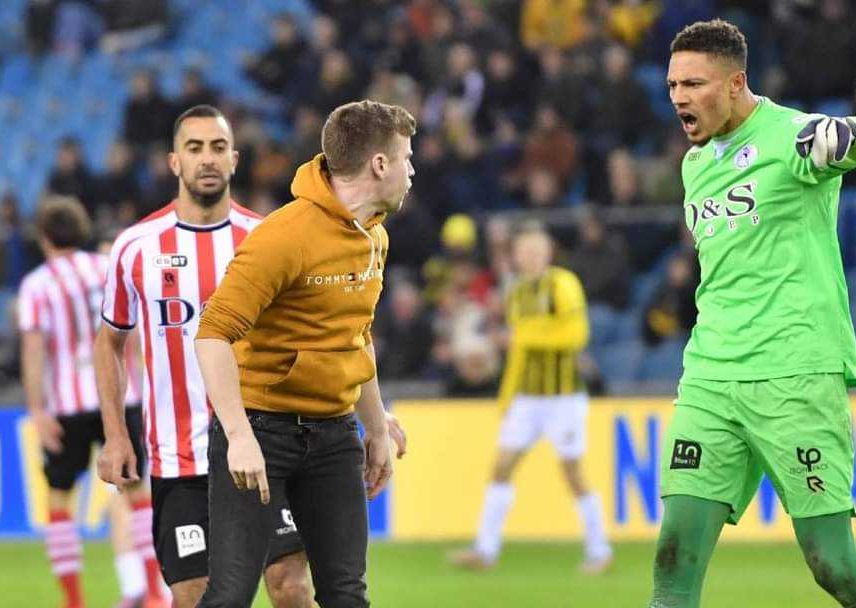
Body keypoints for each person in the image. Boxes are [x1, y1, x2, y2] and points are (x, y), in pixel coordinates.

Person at [653, 20, 856, 607]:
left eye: (694, 84)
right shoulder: (695, 164)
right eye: (671, 85)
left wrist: (842, 133)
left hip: (795, 372)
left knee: (836, 569)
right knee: (672, 561)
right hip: (711, 376)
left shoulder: (791, 138)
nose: (679, 98)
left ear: (736, 83)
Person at [94, 105, 335, 608]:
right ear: (174, 162)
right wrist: (116, 433)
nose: (207, 158)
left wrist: (368, 418)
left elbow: (319, 333)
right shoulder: (135, 247)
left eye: (218, 148)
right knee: (195, 597)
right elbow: (109, 340)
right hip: (179, 460)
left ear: (235, 160)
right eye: (195, 148)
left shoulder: (269, 239)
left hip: (268, 447)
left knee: (291, 586)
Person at [192, 100, 415, 608]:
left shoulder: (374, 237)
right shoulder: (283, 236)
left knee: (345, 595)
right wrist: (239, 435)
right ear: (379, 165)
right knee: (228, 597)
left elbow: (356, 337)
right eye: (406, 157)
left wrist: (376, 428)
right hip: (260, 431)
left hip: (334, 433)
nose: (412, 170)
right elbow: (212, 334)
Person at [17, 197, 165, 608]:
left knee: (60, 497)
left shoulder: (37, 285)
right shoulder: (106, 268)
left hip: (67, 403)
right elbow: (130, 334)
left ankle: (74, 601)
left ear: (44, 237)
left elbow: (34, 350)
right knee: (138, 493)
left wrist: (37, 409)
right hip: (120, 397)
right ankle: (154, 593)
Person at [449, 222, 612, 574]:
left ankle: (600, 549)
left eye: (537, 251)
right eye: (524, 252)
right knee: (501, 466)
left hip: (564, 396)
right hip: (527, 398)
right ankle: (485, 550)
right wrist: (507, 397)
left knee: (572, 471)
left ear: (548, 252)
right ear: (516, 256)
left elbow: (576, 335)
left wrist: (525, 336)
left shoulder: (563, 284)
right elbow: (518, 355)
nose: (531, 258)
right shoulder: (518, 293)